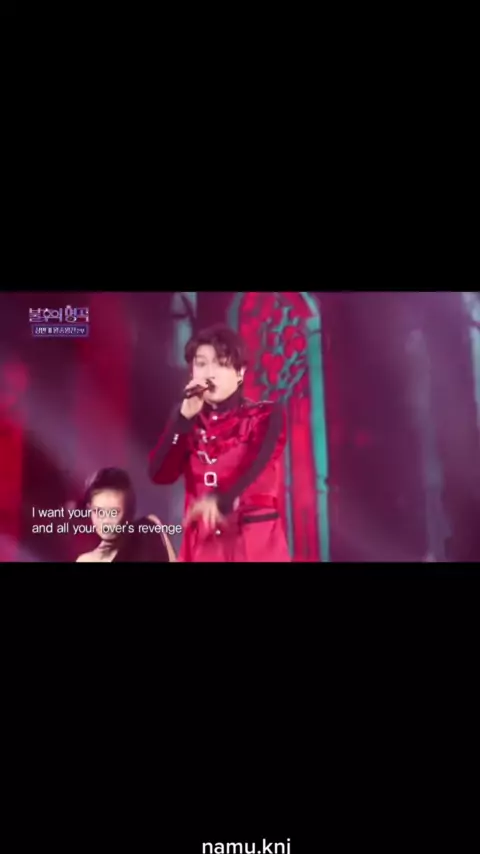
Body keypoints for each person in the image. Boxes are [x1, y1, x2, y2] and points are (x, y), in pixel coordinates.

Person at [148, 324, 291, 562]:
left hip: (252, 544)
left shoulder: (266, 416)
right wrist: (183, 420)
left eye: (221, 364)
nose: (209, 373)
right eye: (201, 364)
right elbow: (160, 474)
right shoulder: (187, 420)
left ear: (240, 372)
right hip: (203, 548)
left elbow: (256, 464)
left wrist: (221, 499)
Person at [75, 468, 176, 563]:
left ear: (130, 511)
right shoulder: (86, 560)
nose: (106, 521)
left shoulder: (150, 531)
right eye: (100, 512)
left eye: (114, 512)